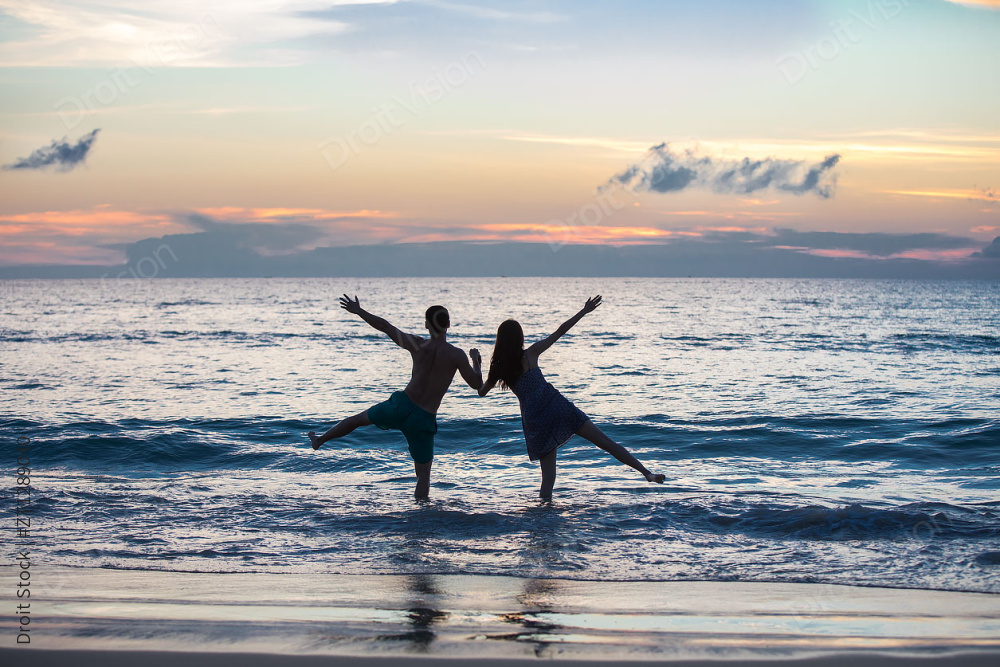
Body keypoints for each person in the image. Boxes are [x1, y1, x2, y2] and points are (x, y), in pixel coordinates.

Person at [479, 295, 665, 499]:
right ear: (519, 338)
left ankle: (544, 519)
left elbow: (481, 391)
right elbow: (560, 331)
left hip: (536, 419)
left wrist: (475, 363)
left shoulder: (500, 369)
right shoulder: (530, 354)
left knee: (548, 479)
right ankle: (646, 473)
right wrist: (584, 311)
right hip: (556, 406)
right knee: (604, 441)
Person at [308, 295, 483, 498]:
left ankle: (319, 440)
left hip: (401, 405)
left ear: (427, 325)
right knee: (424, 475)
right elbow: (477, 385)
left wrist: (359, 311)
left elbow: (386, 326)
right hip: (423, 418)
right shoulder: (457, 355)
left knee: (358, 420)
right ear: (449, 325)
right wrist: (476, 361)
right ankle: (421, 517)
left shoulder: (418, 345)